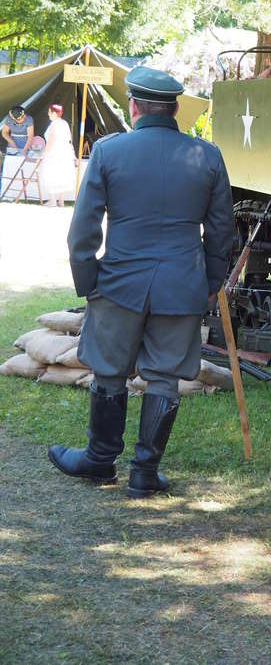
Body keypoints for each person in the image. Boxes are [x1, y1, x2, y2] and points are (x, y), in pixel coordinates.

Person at [49, 67, 234, 499]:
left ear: (133, 106)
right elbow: (222, 230)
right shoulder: (207, 155)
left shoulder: (110, 152)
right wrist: (209, 281)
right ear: (175, 109)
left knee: (109, 371)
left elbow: (82, 230)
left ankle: (99, 460)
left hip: (118, 283)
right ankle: (144, 473)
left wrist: (87, 279)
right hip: (182, 284)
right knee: (165, 378)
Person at [39, 103, 77, 207]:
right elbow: (69, 140)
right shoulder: (64, 123)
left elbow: (51, 141)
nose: (48, 114)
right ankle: (61, 201)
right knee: (62, 175)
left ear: (54, 113)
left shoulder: (54, 125)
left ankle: (52, 201)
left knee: (51, 174)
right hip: (65, 153)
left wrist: (44, 154)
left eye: (49, 112)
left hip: (54, 153)